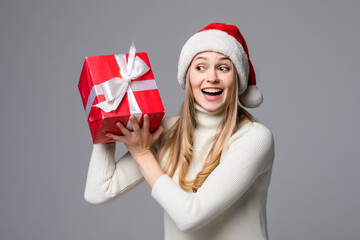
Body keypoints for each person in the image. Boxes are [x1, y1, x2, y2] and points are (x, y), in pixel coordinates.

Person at [84, 22, 275, 240]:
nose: (211, 77)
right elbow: (98, 191)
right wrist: (108, 115)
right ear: (188, 78)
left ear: (237, 79)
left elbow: (190, 216)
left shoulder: (254, 138)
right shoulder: (168, 130)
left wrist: (142, 154)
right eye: (200, 67)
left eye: (223, 68)